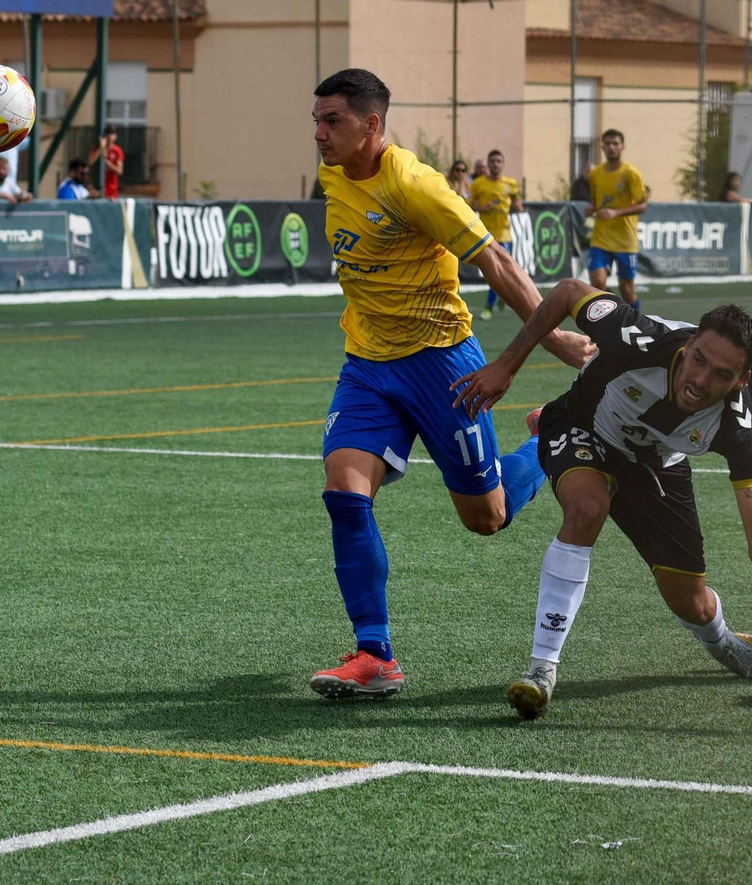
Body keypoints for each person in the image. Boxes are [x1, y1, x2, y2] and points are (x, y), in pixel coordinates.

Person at [306, 68, 593, 700]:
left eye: (334, 122)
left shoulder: (416, 185)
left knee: (486, 519)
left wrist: (550, 338)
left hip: (441, 364)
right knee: (345, 491)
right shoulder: (332, 171)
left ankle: (551, 436)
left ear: (372, 124)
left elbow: (496, 262)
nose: (320, 134)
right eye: (317, 120)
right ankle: (375, 655)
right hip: (367, 365)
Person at [449, 279, 752, 720]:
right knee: (587, 506)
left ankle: (723, 641)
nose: (700, 380)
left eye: (721, 374)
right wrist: (509, 364)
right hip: (582, 426)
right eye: (698, 359)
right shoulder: (640, 337)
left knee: (691, 602)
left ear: (741, 380)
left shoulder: (739, 428)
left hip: (657, 466)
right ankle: (541, 669)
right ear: (689, 346)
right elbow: (569, 292)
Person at [585, 129, 648, 307]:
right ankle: (613, 313)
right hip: (601, 239)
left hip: (625, 241)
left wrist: (616, 213)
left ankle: (637, 322)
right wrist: (591, 209)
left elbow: (643, 205)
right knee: (597, 284)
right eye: (608, 144)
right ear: (602, 146)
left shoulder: (631, 173)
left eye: (615, 144)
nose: (611, 147)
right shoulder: (596, 174)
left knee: (627, 291)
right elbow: (596, 202)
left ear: (622, 147)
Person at [469, 149, 523, 320]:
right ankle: (499, 296)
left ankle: (488, 307)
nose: (495, 164)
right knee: (493, 273)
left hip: (505, 234)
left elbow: (517, 201)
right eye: (492, 161)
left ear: (503, 164)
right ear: (488, 163)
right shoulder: (479, 184)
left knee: (500, 272)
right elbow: (468, 203)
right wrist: (480, 208)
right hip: (485, 234)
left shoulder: (511, 183)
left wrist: (518, 205)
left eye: (499, 161)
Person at [87, 123, 124, 200]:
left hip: (112, 190)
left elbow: (120, 170)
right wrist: (101, 148)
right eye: (108, 134)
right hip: (98, 189)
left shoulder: (117, 151)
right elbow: (90, 162)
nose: (110, 137)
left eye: (112, 134)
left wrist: (109, 165)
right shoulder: (97, 148)